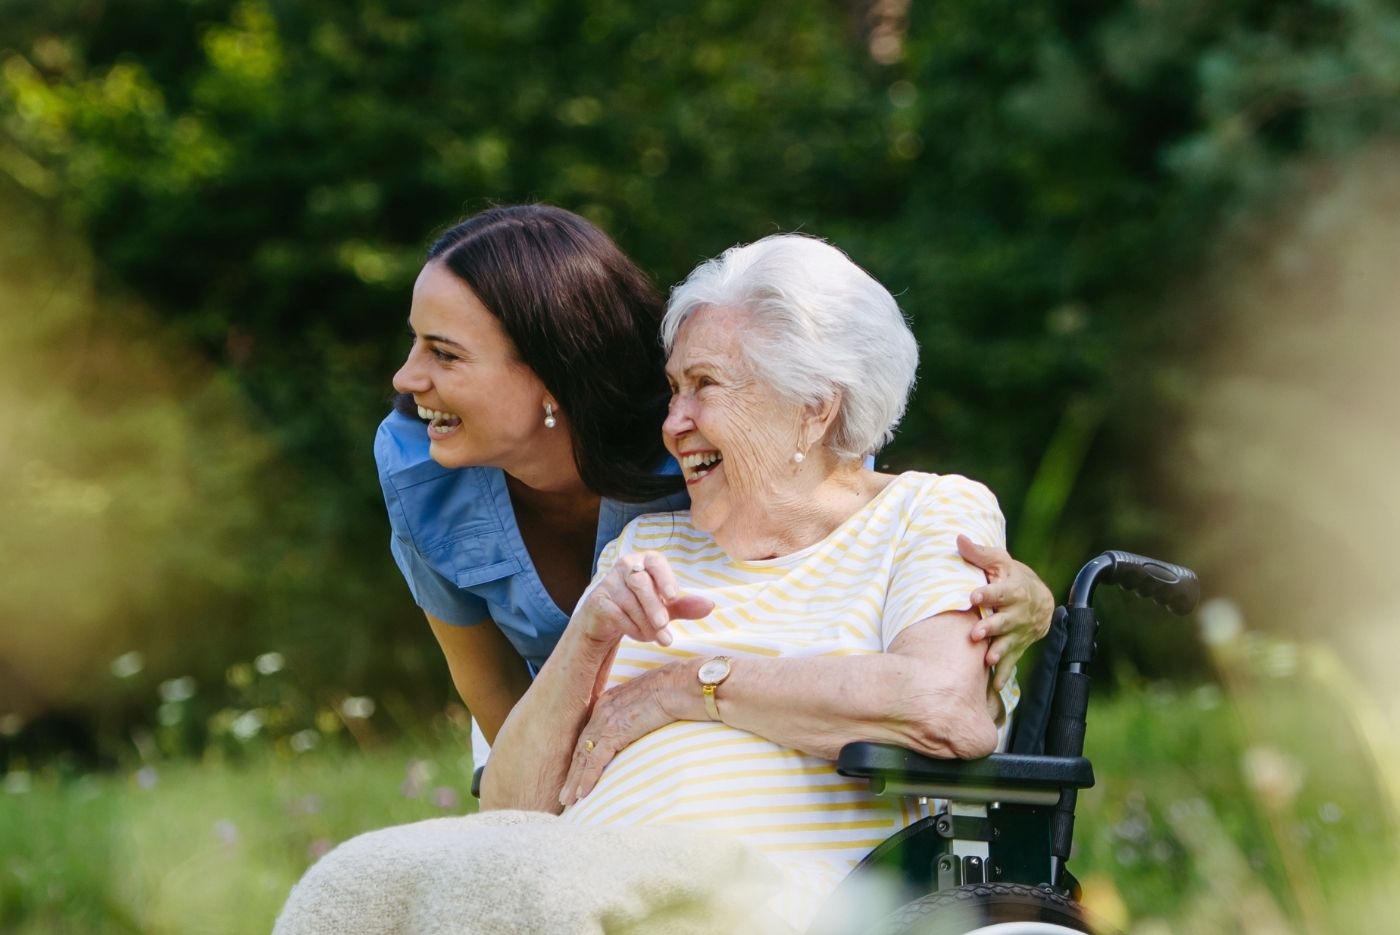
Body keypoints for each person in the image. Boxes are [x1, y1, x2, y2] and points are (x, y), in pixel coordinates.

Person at [279, 234, 1023, 934]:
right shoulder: (649, 537)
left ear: (813, 407)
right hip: (589, 871)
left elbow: (943, 708)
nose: (673, 424)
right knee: (357, 883)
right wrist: (589, 635)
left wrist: (688, 686)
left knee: (520, 886)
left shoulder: (926, 513)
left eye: (704, 386)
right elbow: (507, 811)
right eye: (672, 389)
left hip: (764, 885)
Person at [376, 206, 1051, 762]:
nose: (405, 378)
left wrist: (1021, 598)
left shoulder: (694, 444)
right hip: (547, 723)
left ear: (551, 373)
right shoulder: (418, 466)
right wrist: (556, 799)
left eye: (444, 352)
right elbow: (489, 683)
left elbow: (847, 509)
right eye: (417, 342)